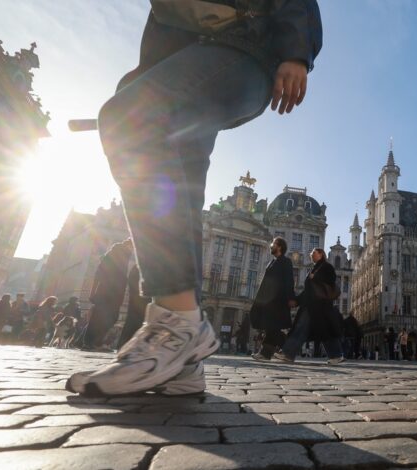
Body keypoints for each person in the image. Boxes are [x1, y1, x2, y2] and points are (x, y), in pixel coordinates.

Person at [66, 1, 323, 396]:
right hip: (190, 55)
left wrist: (295, 50)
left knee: (127, 121)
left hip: (247, 48)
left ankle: (177, 321)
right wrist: (144, 80)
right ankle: (183, 363)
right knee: (181, 184)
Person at [276, 248, 344, 364]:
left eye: (313, 253)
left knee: (322, 330)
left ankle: (336, 355)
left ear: (320, 254)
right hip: (311, 305)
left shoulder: (326, 267)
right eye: (311, 253)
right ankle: (288, 354)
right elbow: (308, 291)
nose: (310, 255)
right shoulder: (314, 268)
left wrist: (315, 277)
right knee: (303, 329)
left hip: (321, 307)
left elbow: (331, 281)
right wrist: (297, 301)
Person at [249, 237, 296, 360]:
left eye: (273, 243)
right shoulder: (272, 262)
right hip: (269, 300)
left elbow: (289, 281)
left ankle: (266, 353)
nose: (271, 245)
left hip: (278, 300)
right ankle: (287, 349)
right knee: (272, 326)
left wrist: (290, 297)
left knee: (272, 326)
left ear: (279, 246)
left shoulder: (286, 262)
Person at [83, 239, 133, 350]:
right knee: (104, 317)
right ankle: (92, 343)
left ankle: (93, 342)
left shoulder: (119, 255)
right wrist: (93, 291)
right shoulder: (119, 254)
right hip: (110, 291)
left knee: (104, 317)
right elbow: (99, 274)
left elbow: (99, 274)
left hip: (110, 291)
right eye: (133, 247)